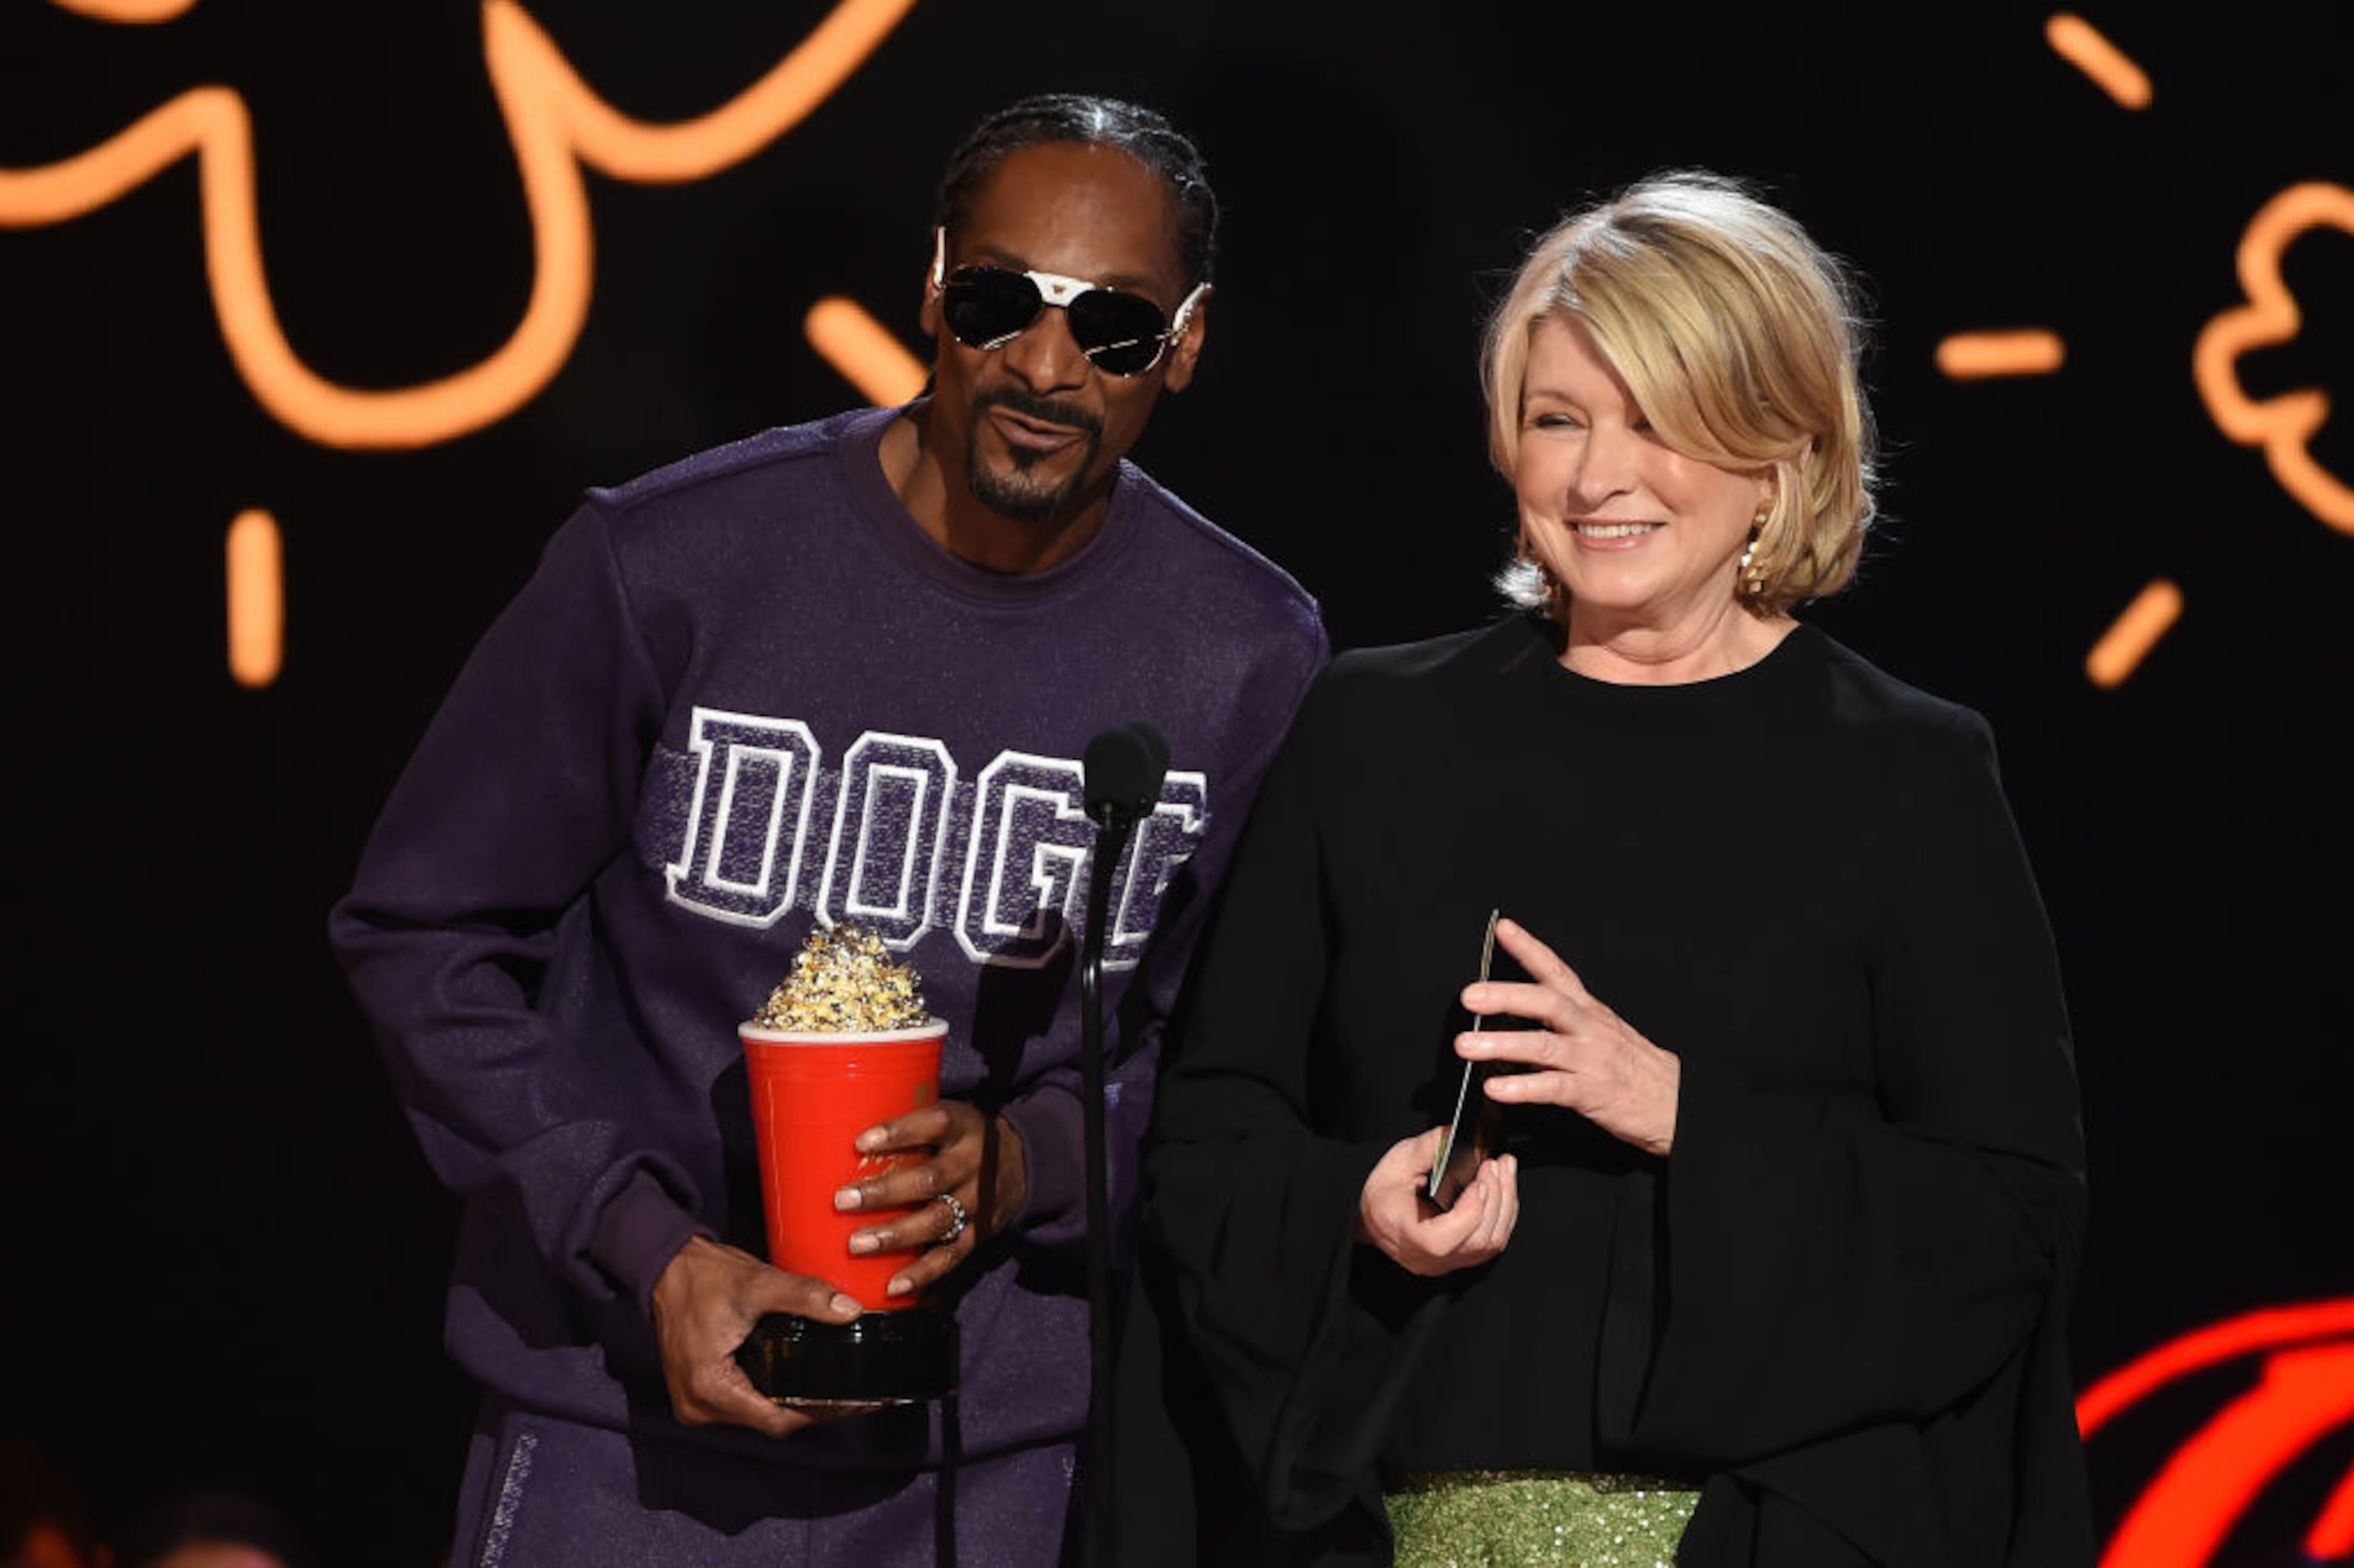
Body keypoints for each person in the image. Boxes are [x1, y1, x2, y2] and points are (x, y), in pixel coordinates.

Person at [329, 93, 1325, 1566]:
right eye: (1000, 302)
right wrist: (639, 1242)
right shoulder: (666, 564)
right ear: (933, 285)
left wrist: (1029, 1160)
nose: (1045, 368)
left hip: (984, 1464)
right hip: (622, 1432)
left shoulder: (1246, 655)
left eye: (1112, 327)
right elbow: (423, 934)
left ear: (1185, 343)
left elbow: (1232, 1062)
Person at [1135, 172, 2092, 1566]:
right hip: (1394, 1526)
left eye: (1657, 421)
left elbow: (2008, 1220)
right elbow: (1211, 1141)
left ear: (1781, 447)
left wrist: (1678, 1111)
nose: (1597, 477)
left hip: (1779, 1532)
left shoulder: (1909, 773)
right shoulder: (1373, 730)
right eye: (1556, 419)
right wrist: (1360, 1206)